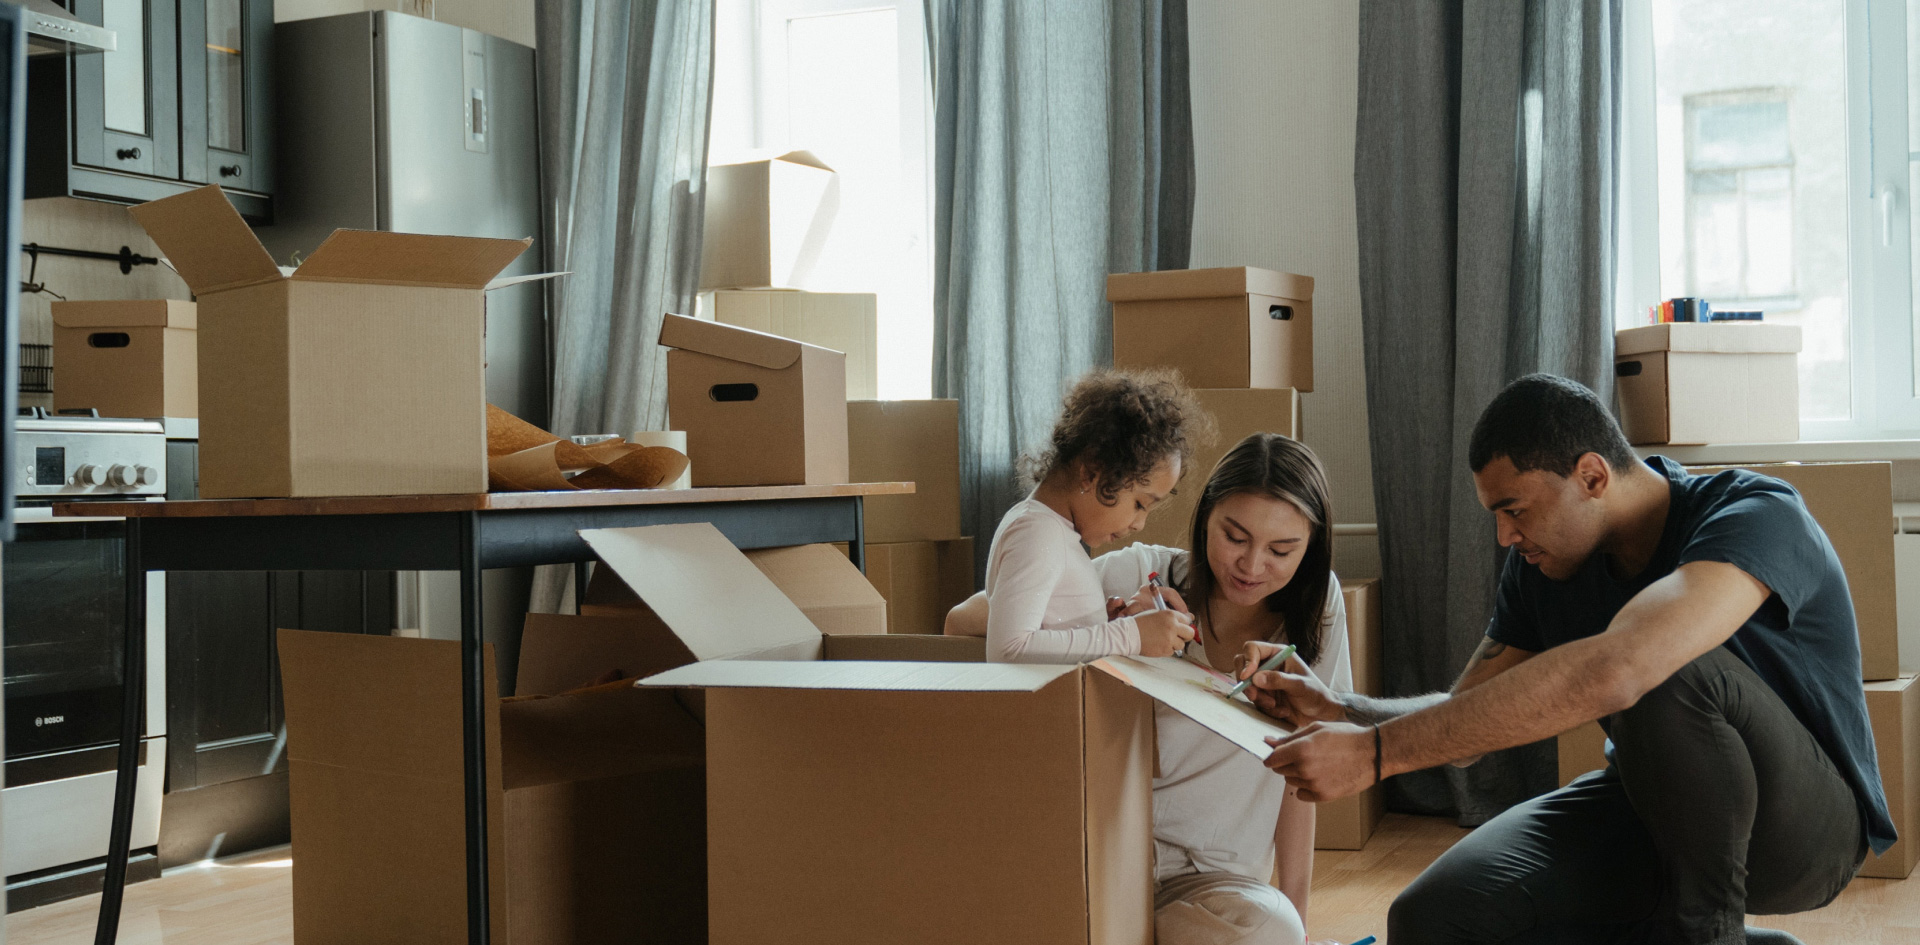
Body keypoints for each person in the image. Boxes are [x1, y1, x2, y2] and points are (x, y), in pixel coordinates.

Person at [1243, 374, 1888, 945]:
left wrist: (1375, 755)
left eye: (1514, 510)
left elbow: (1623, 669)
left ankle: (1710, 938)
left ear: (1592, 476)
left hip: (1805, 833)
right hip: (1647, 807)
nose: (1505, 536)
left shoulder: (1756, 513)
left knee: (1664, 669)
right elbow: (1464, 721)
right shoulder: (1543, 566)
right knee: (1431, 918)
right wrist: (1346, 712)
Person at [952, 433, 1352, 945]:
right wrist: (1109, 627)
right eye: (1234, 537)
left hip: (1215, 884)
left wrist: (1300, 921)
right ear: (1205, 519)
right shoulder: (1137, 572)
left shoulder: (1318, 609)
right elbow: (962, 622)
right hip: (1104, 859)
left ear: (1310, 550)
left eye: (1280, 550)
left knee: (1272, 932)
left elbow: (1303, 766)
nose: (1252, 566)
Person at [979, 368, 1206, 663]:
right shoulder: (1037, 533)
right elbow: (1008, 650)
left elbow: (1051, 636)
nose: (1139, 524)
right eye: (1140, 504)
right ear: (1091, 472)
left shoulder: (1051, 531)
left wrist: (1102, 626)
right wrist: (1129, 635)